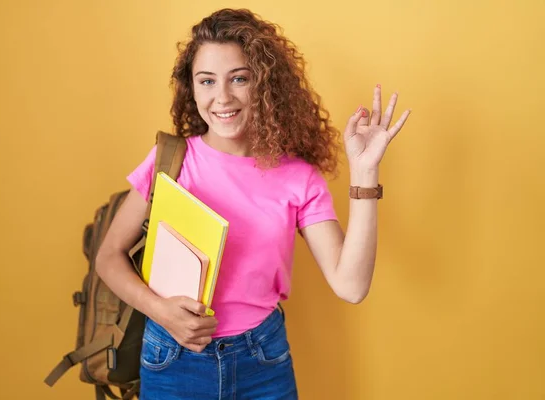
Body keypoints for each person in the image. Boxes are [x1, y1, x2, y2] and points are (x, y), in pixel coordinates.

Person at [95, 7, 411, 400]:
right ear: (191, 89)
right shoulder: (171, 161)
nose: (222, 97)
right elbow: (109, 256)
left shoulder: (299, 177)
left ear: (264, 84)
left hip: (263, 360)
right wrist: (161, 312)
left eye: (239, 79)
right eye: (206, 81)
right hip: (174, 358)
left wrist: (365, 173)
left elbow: (351, 286)